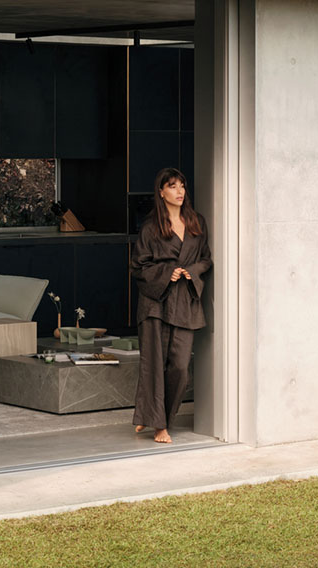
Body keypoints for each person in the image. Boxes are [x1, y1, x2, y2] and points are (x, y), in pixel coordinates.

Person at [130, 167, 212, 444]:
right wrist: (168, 273)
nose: (179, 192)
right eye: (173, 187)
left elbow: (207, 259)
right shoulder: (152, 227)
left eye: (182, 187)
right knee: (153, 364)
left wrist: (191, 270)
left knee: (178, 367)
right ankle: (159, 425)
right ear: (161, 192)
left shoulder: (196, 222)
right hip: (156, 303)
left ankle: (152, 415)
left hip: (185, 303)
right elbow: (138, 266)